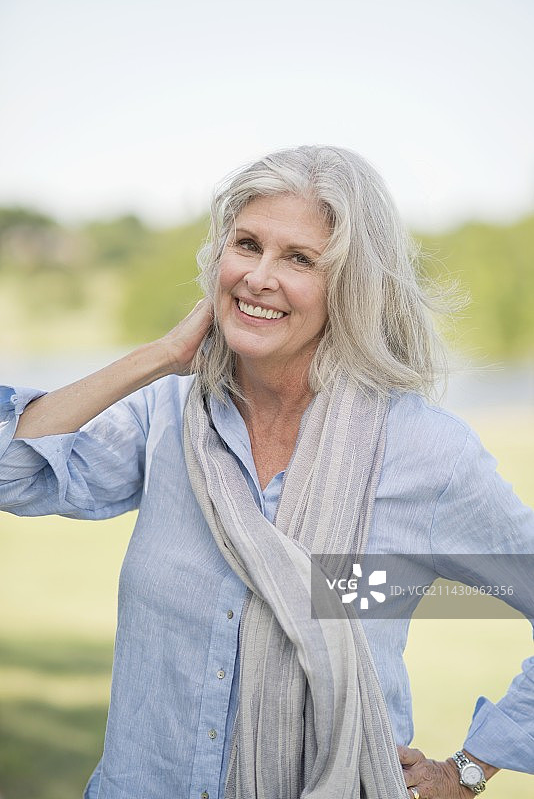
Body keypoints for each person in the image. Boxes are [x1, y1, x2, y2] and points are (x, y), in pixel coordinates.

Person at [0, 144, 533, 799]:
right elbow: (10, 470)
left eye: (299, 258)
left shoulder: (424, 453)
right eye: (247, 244)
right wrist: (158, 357)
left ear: (352, 287)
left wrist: (467, 770)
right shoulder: (168, 415)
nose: (258, 277)